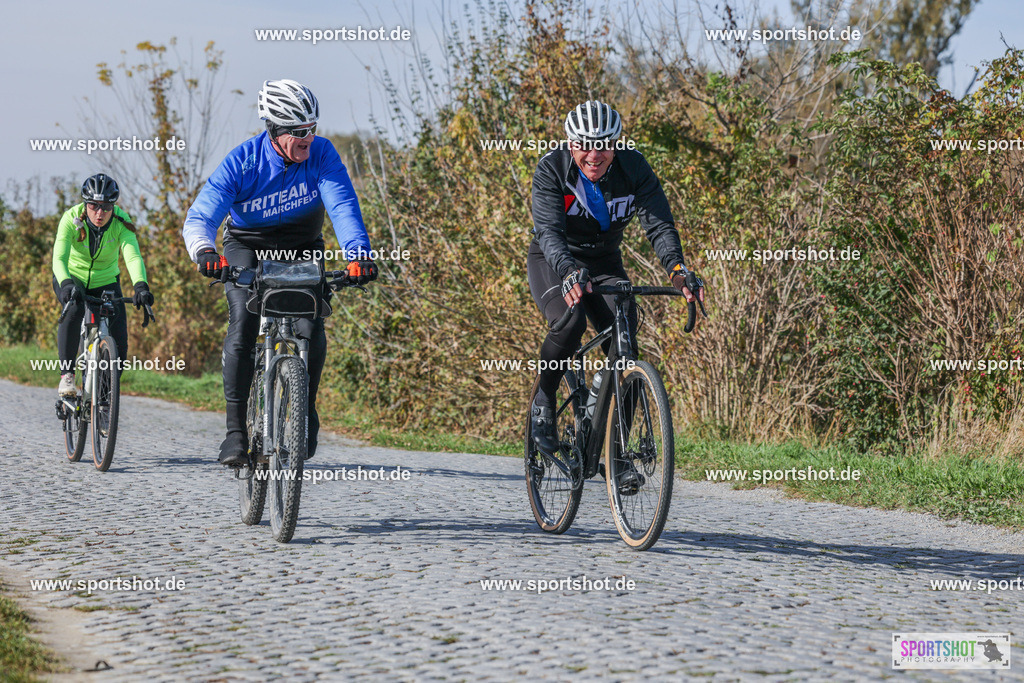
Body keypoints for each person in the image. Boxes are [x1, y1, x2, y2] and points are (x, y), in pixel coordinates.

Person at [182, 79, 377, 467]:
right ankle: (236, 431)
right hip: (248, 246)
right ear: (274, 130)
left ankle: (305, 408)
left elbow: (342, 206)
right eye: (299, 132)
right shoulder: (243, 161)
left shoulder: (322, 154)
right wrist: (205, 251)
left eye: (313, 128)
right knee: (244, 320)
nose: (309, 137)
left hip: (302, 245)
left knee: (310, 324)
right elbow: (201, 216)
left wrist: (359, 255)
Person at [528, 100, 705, 457]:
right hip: (555, 259)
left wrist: (677, 270)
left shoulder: (633, 166)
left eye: (604, 145)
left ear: (617, 143)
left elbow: (658, 224)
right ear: (570, 143)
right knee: (571, 319)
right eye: (584, 146)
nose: (595, 155)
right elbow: (548, 232)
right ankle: (544, 399)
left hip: (604, 260)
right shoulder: (552, 169)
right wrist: (567, 269)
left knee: (625, 344)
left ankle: (617, 457)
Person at [53, 174, 153, 396]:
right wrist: (66, 284)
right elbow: (59, 259)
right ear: (85, 204)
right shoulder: (70, 218)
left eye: (106, 207)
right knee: (74, 309)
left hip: (106, 281)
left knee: (120, 345)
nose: (100, 213)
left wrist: (140, 286)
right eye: (94, 206)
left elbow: (133, 257)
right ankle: (67, 376)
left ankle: (104, 398)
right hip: (72, 278)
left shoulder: (121, 222)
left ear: (113, 206)